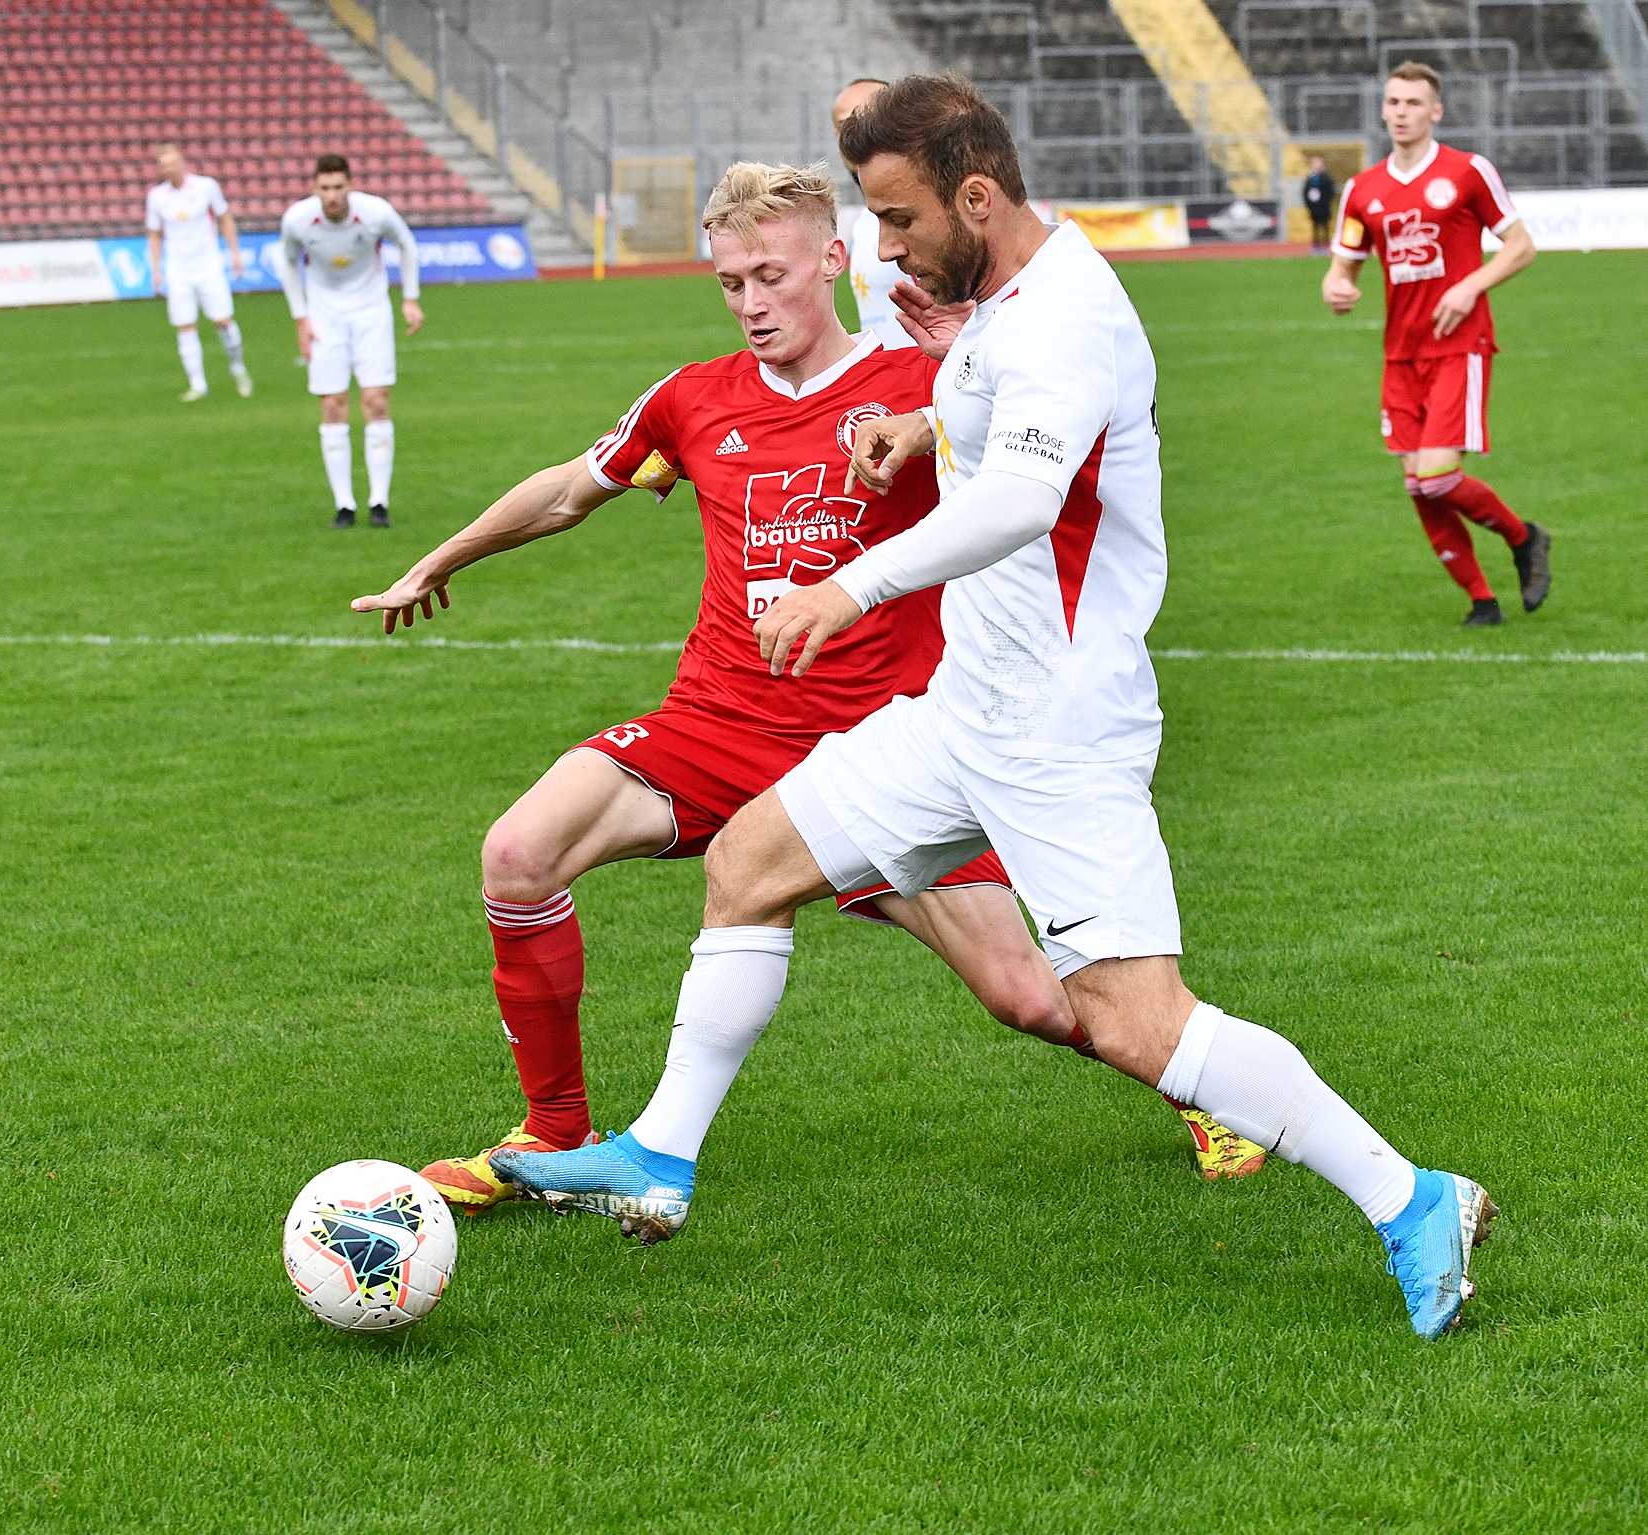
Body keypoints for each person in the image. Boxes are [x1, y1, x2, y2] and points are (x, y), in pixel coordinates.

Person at [499, 77, 1494, 1342]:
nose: (888, 250)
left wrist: (844, 588)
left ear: (978, 197)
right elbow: (1002, 431)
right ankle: (660, 1156)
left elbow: (1026, 498)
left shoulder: (1064, 318)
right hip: (966, 704)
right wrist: (919, 424)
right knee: (749, 860)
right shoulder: (1005, 297)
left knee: (1135, 1021)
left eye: (902, 220)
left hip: (1059, 728)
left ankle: (1413, 1196)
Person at [352, 159, 1262, 1219]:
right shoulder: (692, 398)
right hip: (717, 724)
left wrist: (938, 409)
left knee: (1032, 997)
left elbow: (1037, 468)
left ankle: (1208, 1085)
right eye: (730, 281)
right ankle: (557, 1126)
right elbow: (568, 489)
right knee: (517, 853)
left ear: (834, 259)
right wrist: (440, 559)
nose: (750, 302)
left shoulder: (929, 381)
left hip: (887, 745)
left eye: (770, 275)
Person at [1322, 63, 1548, 627]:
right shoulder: (1362, 189)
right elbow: (1343, 266)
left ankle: (1524, 538)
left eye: (1414, 103)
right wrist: (1338, 286)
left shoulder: (1469, 172)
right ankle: (1482, 601)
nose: (1401, 112)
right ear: (1384, 108)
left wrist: (1470, 286)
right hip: (1400, 354)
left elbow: (1521, 246)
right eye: (1393, 102)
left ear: (1435, 111)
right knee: (1419, 489)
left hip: (1459, 346)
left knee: (1439, 476)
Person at [278, 154, 423, 529]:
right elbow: (290, 263)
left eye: (338, 186)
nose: (332, 195)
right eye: (324, 188)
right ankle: (344, 505)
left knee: (376, 401)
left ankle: (379, 503)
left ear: (350, 185)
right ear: (314, 188)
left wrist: (409, 298)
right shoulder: (297, 220)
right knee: (333, 405)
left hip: (371, 313)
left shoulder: (376, 213)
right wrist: (301, 318)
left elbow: (406, 244)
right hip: (325, 316)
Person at [145, 144, 251, 401]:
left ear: (183, 162)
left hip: (208, 263)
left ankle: (238, 369)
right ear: (160, 169)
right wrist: (156, 269)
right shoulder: (157, 197)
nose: (170, 168)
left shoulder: (206, 187)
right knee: (185, 326)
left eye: (174, 162)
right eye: (165, 164)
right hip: (178, 268)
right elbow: (154, 234)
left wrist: (234, 251)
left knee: (223, 320)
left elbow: (224, 218)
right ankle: (198, 384)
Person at [831, 78, 915, 350]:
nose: (857, 135)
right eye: (846, 126)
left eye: (868, 120)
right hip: (889, 388)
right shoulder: (865, 223)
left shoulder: (935, 213)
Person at [1301, 154, 1337, 252]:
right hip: (1314, 207)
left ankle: (1326, 245)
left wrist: (1327, 201)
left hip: (1324, 206)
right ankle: (1316, 245)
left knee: (1325, 226)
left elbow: (1331, 191)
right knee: (1315, 227)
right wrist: (1309, 204)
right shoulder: (1310, 178)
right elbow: (1305, 191)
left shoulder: (1326, 177)